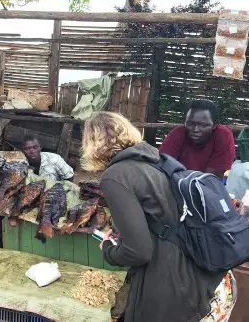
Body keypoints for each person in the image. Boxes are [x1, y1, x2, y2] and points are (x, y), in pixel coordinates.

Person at [82, 112, 237, 322]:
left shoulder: (115, 176)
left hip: (183, 293)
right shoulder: (160, 160)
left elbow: (139, 252)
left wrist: (109, 250)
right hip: (216, 280)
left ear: (92, 144)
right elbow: (166, 219)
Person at [160, 100, 235, 179]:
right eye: (190, 124)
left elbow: (211, 179)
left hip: (207, 188)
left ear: (214, 125)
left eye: (203, 125)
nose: (195, 129)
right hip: (174, 184)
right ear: (185, 123)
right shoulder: (178, 134)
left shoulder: (223, 136)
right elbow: (163, 167)